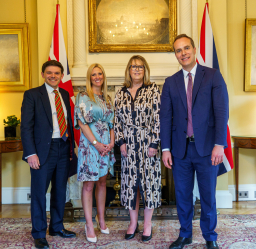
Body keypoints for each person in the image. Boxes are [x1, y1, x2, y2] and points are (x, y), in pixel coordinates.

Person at [160, 34, 229, 249]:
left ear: (194, 49)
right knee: (182, 196)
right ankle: (185, 234)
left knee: (208, 195)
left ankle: (210, 237)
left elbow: (221, 111)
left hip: (207, 149)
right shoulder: (170, 82)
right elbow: (165, 117)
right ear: (176, 55)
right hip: (180, 151)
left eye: (186, 48)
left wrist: (220, 144)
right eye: (179, 50)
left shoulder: (212, 76)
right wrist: (165, 148)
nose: (183, 53)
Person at [21, 60, 76, 249]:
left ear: (62, 75)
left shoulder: (65, 94)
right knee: (39, 193)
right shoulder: (32, 95)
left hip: (63, 147)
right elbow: (26, 127)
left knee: (60, 191)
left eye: (57, 73)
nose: (53, 76)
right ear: (43, 74)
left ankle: (56, 227)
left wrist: (71, 149)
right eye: (49, 73)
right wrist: (31, 154)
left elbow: (68, 123)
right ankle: (38, 233)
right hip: (42, 151)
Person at [114, 55, 161, 242]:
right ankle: (133, 223)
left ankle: (147, 224)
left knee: (148, 183)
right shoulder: (120, 92)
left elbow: (159, 117)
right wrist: (121, 141)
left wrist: (154, 143)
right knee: (130, 185)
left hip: (147, 141)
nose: (137, 69)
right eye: (133, 66)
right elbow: (116, 120)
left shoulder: (153, 90)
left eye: (140, 67)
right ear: (128, 69)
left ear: (145, 70)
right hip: (128, 146)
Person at [74, 63, 115, 243]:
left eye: (100, 74)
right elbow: (82, 124)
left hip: (106, 146)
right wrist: (97, 144)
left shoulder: (107, 98)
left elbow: (112, 123)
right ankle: (89, 224)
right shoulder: (83, 96)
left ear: (103, 76)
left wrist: (111, 142)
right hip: (90, 146)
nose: (97, 77)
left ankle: (101, 219)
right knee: (89, 184)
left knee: (102, 182)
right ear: (89, 77)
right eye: (94, 74)